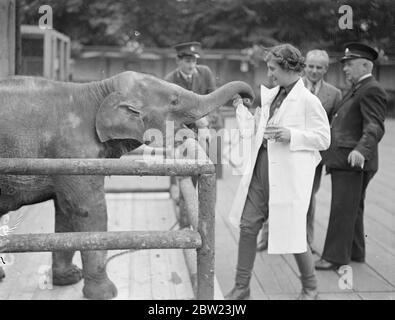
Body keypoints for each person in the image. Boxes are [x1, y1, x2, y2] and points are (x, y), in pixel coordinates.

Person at [227, 44, 331, 300]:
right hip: (262, 168)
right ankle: (242, 287)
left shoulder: (308, 100)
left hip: (287, 175)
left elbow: (323, 138)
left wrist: (291, 135)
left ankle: (310, 287)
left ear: (287, 68)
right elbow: (256, 128)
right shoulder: (273, 95)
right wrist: (241, 109)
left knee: (293, 232)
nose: (269, 73)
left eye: (273, 68)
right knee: (248, 226)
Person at [256, 49, 342, 252]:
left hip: (311, 157)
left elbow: (328, 132)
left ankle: (305, 241)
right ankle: (269, 237)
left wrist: (293, 136)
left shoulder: (331, 94)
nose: (313, 71)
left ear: (326, 69)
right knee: (276, 195)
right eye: (310, 66)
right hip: (280, 156)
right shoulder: (281, 90)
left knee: (306, 198)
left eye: (318, 67)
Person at [315, 43, 387, 270]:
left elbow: (375, 125)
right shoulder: (360, 87)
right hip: (347, 160)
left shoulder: (371, 89)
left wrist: (360, 150)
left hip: (352, 161)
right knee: (353, 208)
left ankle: (335, 258)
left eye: (349, 64)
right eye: (344, 64)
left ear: (366, 65)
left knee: (342, 208)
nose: (345, 68)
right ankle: (356, 251)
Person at [164, 41, 223, 181]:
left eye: (194, 61)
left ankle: (206, 193)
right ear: (178, 60)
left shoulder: (205, 73)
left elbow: (215, 101)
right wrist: (195, 122)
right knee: (182, 163)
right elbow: (171, 113)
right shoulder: (169, 81)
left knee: (209, 165)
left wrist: (206, 122)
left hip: (208, 125)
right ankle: (178, 189)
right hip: (183, 128)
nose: (191, 65)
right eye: (187, 61)